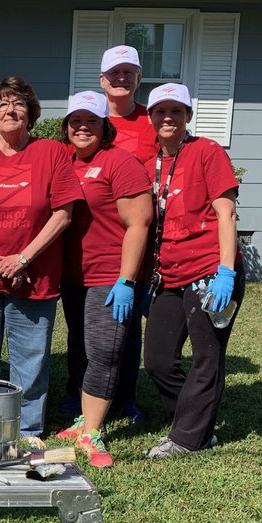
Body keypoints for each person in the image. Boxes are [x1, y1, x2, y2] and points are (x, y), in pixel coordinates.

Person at [0, 77, 81, 449]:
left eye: (19, 104)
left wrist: (23, 258)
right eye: (2, 105)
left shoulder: (52, 153)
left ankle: (27, 429)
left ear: (30, 114)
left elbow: (63, 214)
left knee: (32, 357)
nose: (10, 110)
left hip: (34, 274)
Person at [141, 83, 244, 459]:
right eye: (160, 112)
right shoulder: (152, 161)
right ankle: (197, 423)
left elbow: (226, 213)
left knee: (206, 355)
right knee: (157, 359)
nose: (168, 118)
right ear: (151, 117)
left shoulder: (206, 152)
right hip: (169, 274)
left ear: (187, 116)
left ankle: (188, 439)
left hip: (209, 272)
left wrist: (226, 272)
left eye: (176, 111)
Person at [57, 91, 153, 468]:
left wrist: (127, 280)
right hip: (72, 275)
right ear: (66, 126)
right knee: (80, 348)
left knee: (105, 351)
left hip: (108, 274)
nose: (82, 127)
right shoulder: (64, 160)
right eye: (76, 121)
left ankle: (93, 432)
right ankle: (84, 418)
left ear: (105, 126)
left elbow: (138, 224)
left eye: (91, 121)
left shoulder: (120, 163)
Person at [98, 45, 159, 424]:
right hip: (95, 236)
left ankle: (126, 396)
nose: (121, 79)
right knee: (90, 320)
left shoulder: (151, 122)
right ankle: (80, 390)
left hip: (138, 232)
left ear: (137, 78)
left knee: (130, 321)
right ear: (102, 80)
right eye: (114, 73)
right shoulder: (87, 118)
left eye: (128, 72)